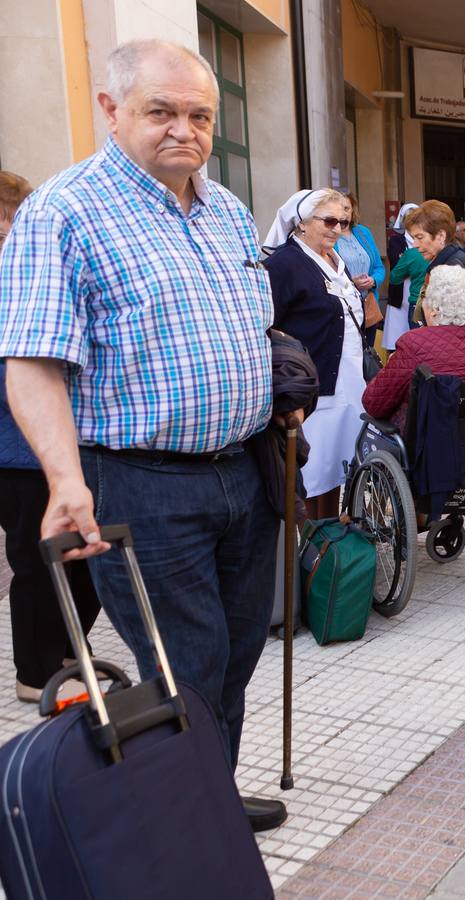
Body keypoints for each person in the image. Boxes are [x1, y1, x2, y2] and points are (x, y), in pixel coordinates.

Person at [0, 39, 286, 829]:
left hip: (243, 473)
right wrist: (65, 480)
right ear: (111, 111)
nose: (183, 130)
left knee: (233, 659)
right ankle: (186, 831)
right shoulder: (62, 212)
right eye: (160, 111)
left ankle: (208, 797)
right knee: (184, 670)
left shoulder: (225, 209)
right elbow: (32, 363)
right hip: (143, 484)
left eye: (198, 115)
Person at [0, 170, 103, 706]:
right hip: (16, 452)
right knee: (37, 562)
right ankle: (34, 672)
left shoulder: (33, 274)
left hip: (67, 443)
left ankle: (67, 650)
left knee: (82, 554)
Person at [263, 188, 366, 520]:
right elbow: (268, 324)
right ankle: (310, 550)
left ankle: (331, 534)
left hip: (348, 382)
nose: (337, 229)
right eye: (330, 221)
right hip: (313, 389)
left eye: (343, 222)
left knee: (337, 467)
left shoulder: (336, 260)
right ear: (302, 223)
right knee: (313, 470)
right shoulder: (285, 264)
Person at [361, 266, 465, 426]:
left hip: (427, 436)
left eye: (425, 299)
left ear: (435, 310)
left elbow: (373, 404)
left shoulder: (414, 342)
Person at [407, 199, 465, 325]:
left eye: (420, 237)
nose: (415, 244)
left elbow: (457, 324)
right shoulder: (447, 261)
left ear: (441, 236)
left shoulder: (453, 267)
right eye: (413, 238)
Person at [337, 192, 386, 320]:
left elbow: (379, 267)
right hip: (343, 307)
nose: (343, 213)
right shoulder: (329, 236)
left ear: (353, 210)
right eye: (339, 208)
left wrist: (373, 280)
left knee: (369, 340)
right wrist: (352, 284)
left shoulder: (363, 232)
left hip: (368, 305)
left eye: (347, 208)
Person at [385, 240, 429, 350]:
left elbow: (394, 278)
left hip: (417, 304)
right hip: (441, 305)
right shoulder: (448, 250)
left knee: (419, 348)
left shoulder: (412, 253)